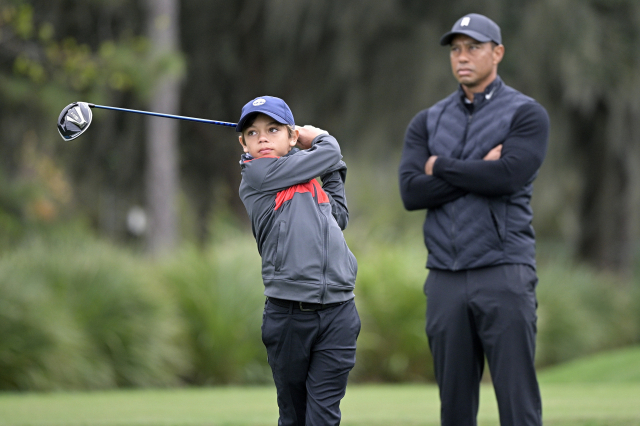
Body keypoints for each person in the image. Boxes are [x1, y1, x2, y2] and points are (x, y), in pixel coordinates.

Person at [398, 13, 549, 426]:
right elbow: (411, 192)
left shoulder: (526, 114)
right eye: (456, 49)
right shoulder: (427, 121)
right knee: (455, 408)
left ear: (497, 53)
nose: (462, 57)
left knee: (518, 403)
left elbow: (508, 176)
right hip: (444, 275)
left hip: (504, 270)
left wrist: (438, 166)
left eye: (474, 47)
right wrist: (475, 169)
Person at [236, 95, 360, 426]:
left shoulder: (307, 180)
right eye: (252, 132)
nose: (262, 137)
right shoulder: (257, 174)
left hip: (338, 313)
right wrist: (319, 138)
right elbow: (329, 150)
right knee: (294, 417)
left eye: (272, 129)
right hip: (289, 315)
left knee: (323, 418)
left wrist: (332, 168)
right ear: (243, 143)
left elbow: (339, 215)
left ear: (291, 137)